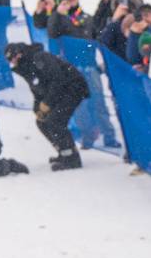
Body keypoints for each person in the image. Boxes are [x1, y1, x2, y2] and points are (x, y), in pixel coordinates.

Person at [5, 41, 89, 170]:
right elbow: (37, 90)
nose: (12, 62)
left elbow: (57, 80)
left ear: (20, 54)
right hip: (58, 93)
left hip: (73, 88)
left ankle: (72, 159)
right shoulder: (25, 68)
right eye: (9, 60)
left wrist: (47, 103)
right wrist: (37, 108)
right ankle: (64, 152)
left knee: (56, 121)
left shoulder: (40, 57)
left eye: (13, 57)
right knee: (42, 122)